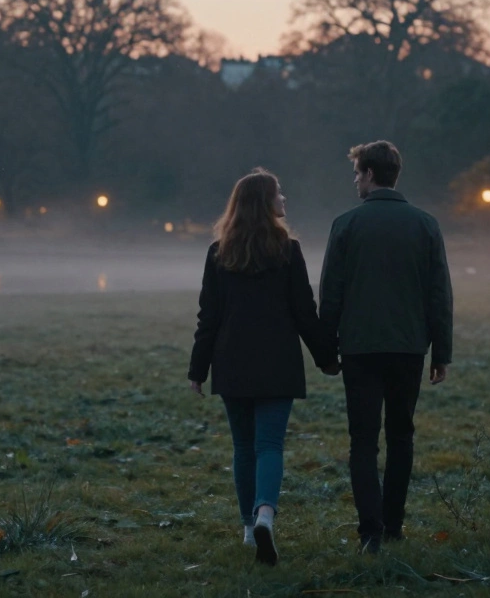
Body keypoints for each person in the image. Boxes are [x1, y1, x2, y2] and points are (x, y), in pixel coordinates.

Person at [188, 168, 339, 567]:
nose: (284, 199)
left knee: (243, 446)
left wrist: (198, 369)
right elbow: (305, 312)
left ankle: (246, 526)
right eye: (278, 194)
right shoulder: (288, 250)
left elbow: (209, 316)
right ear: (264, 203)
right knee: (269, 445)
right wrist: (327, 358)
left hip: (232, 362)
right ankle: (265, 515)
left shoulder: (219, 252)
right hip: (277, 363)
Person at [318, 140, 453, 553]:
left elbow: (331, 295)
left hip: (359, 348)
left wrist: (326, 351)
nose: (355, 181)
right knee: (401, 436)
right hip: (408, 347)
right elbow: (439, 294)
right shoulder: (426, 225)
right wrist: (441, 352)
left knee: (363, 440)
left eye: (357, 173)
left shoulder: (346, 225)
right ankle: (394, 525)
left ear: (370, 174)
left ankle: (370, 532)